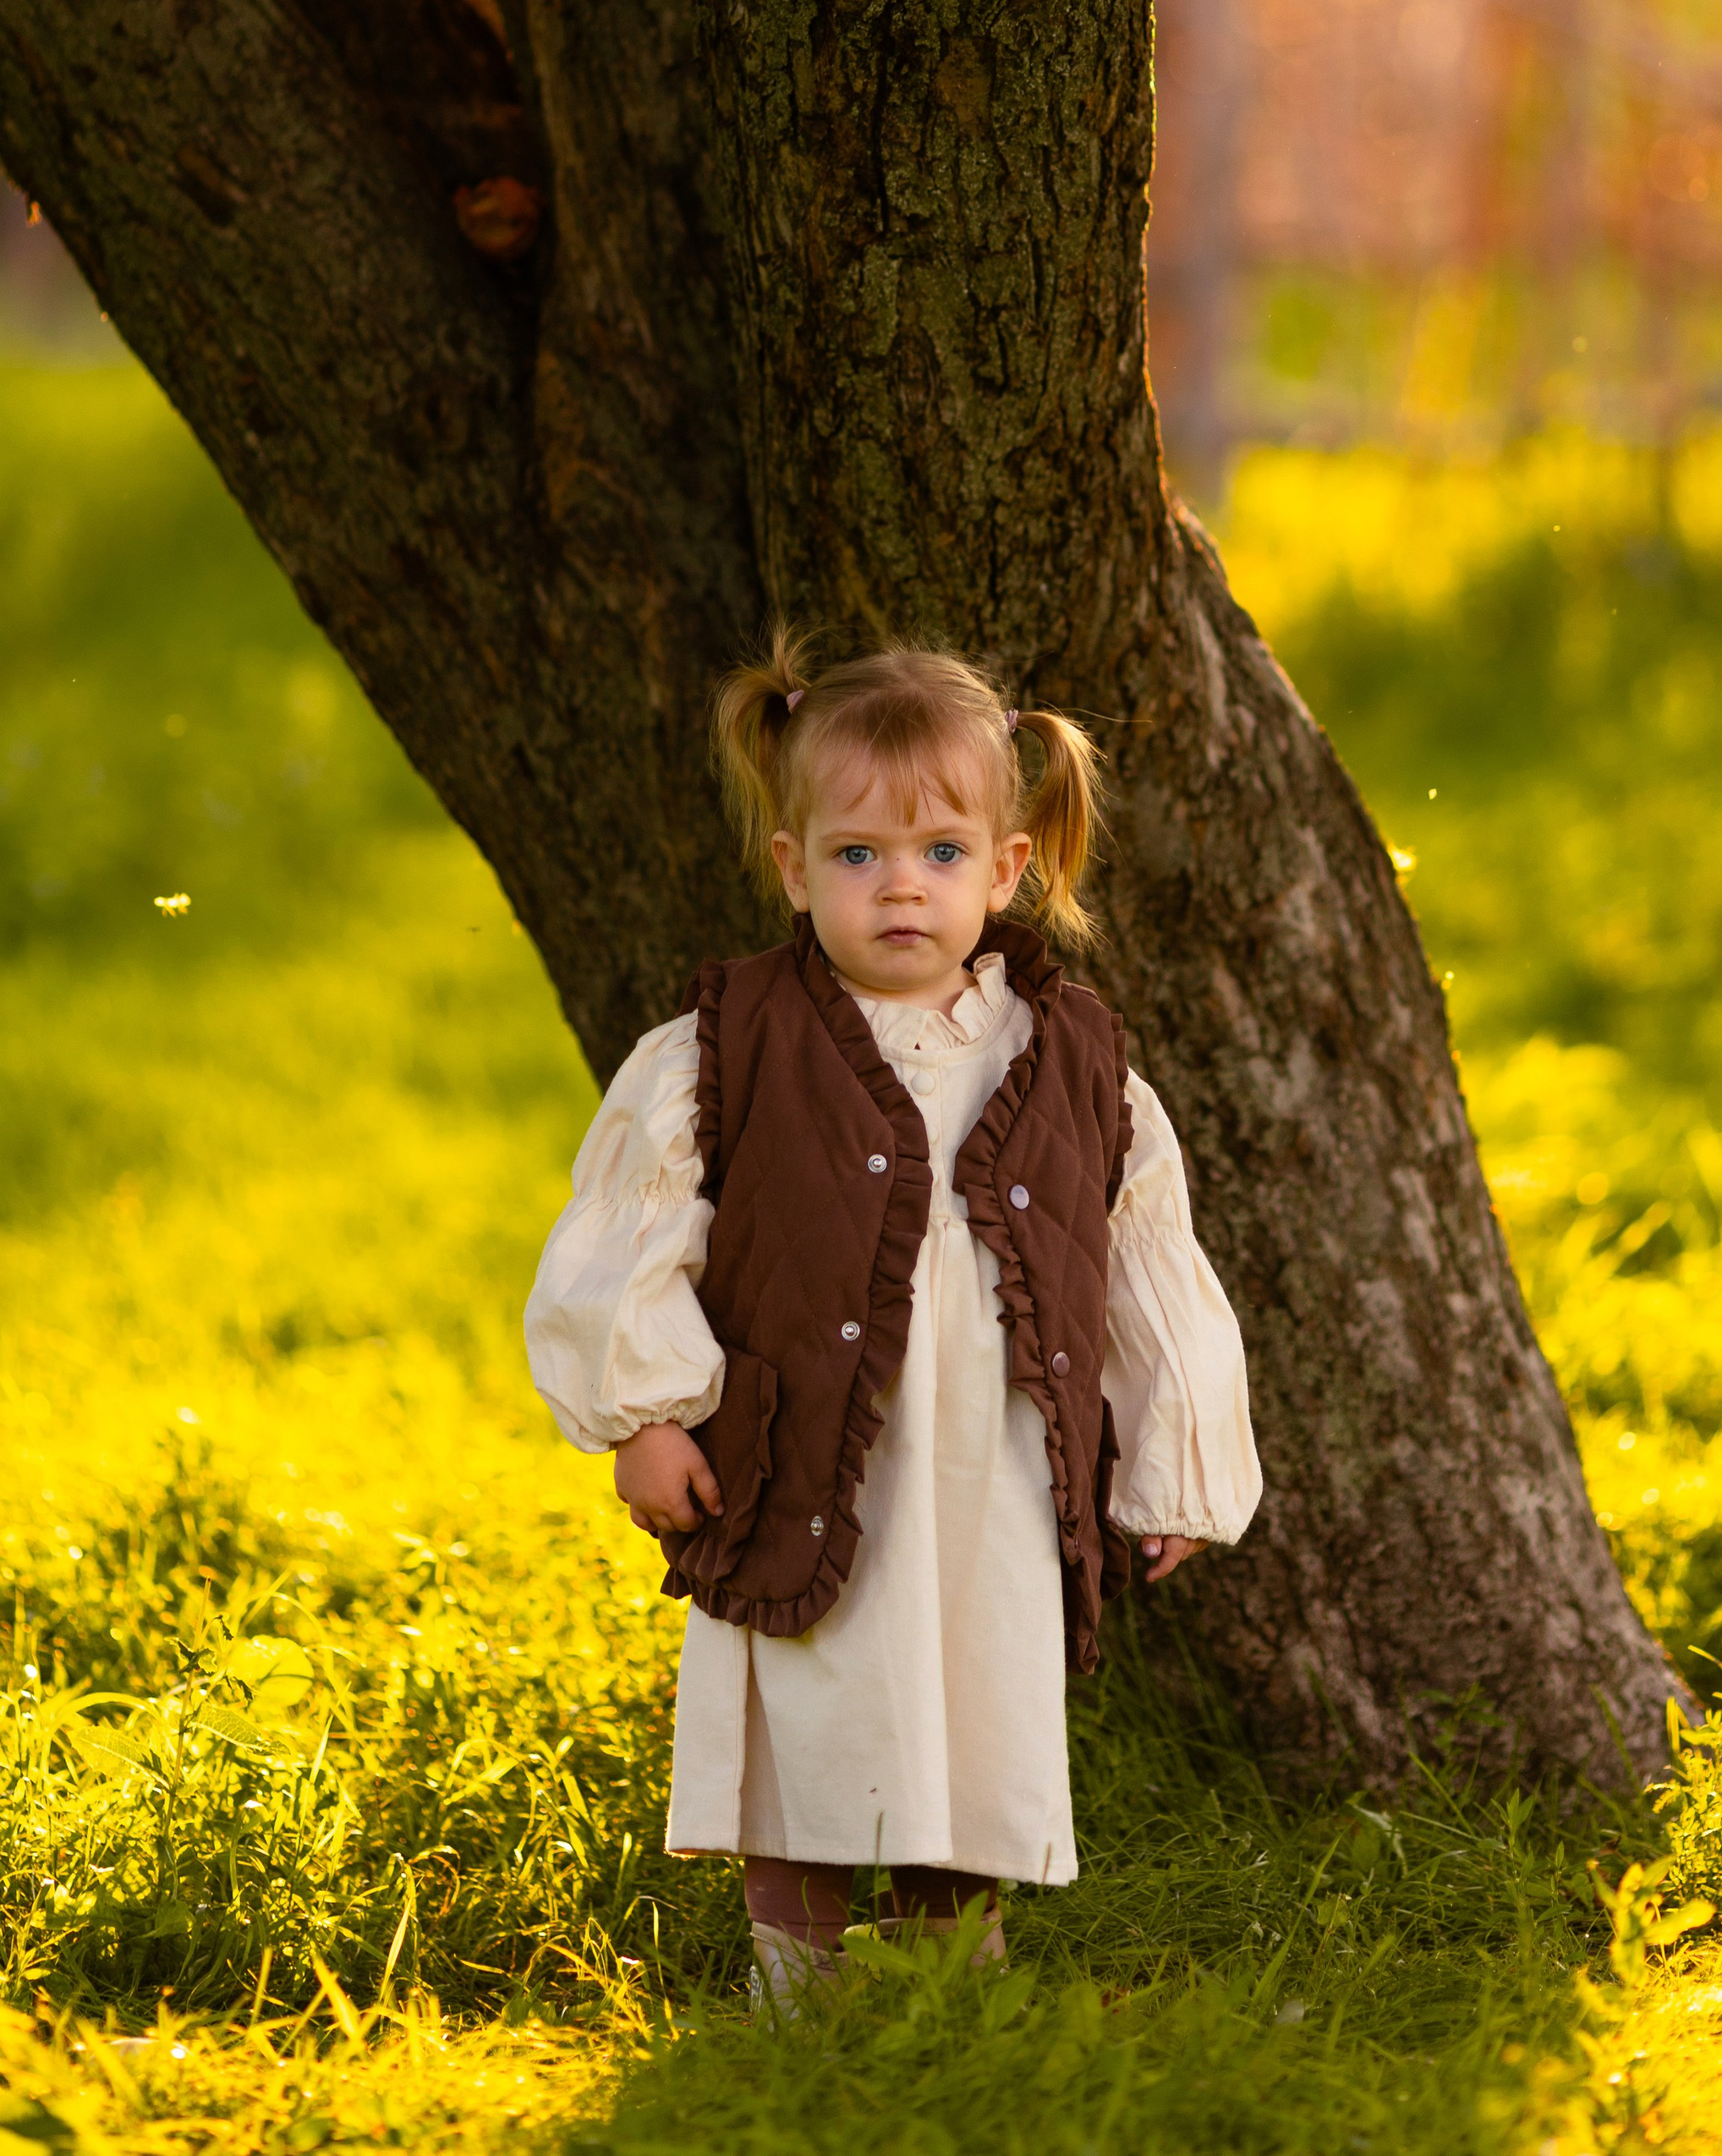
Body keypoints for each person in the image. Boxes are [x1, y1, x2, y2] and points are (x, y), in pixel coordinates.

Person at [524, 637, 1261, 1996]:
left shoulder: (1073, 1058)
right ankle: (792, 1975)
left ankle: (946, 1975)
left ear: (1008, 868)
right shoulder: (723, 1046)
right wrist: (644, 1416)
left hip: (990, 1476)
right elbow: (627, 1238)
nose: (900, 885)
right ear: (797, 870)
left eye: (937, 851)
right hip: (803, 1458)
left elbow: (1146, 1261)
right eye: (857, 856)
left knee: (970, 1703)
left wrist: (1173, 1458)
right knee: (806, 1700)